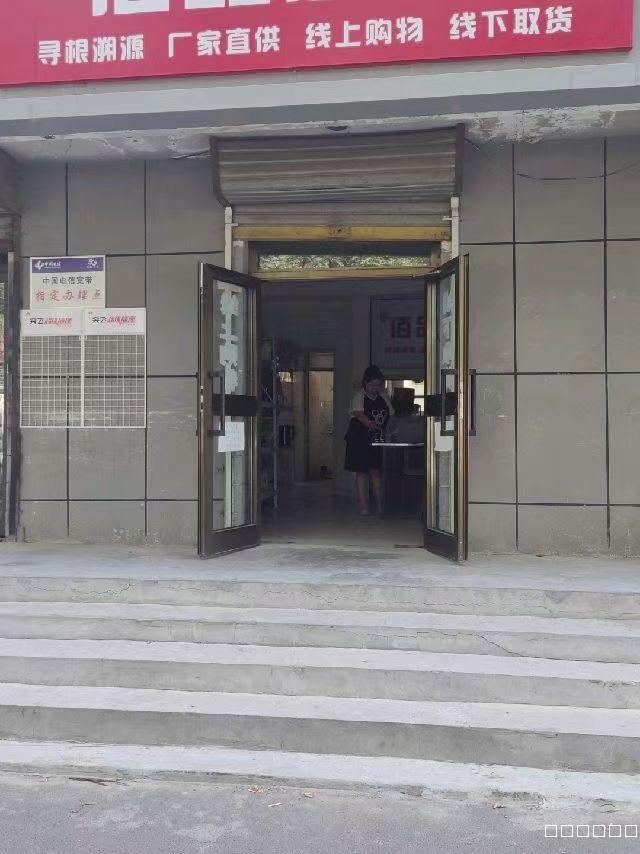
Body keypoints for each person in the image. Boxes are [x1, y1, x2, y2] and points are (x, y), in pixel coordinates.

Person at [345, 365, 394, 516]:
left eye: (378, 385)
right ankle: (363, 505)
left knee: (376, 472)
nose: (375, 388)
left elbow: (391, 415)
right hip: (360, 438)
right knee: (362, 472)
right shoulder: (359, 396)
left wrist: (390, 430)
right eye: (373, 385)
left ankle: (380, 505)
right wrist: (371, 424)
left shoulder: (383, 397)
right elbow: (359, 414)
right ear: (365, 383)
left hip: (377, 439)